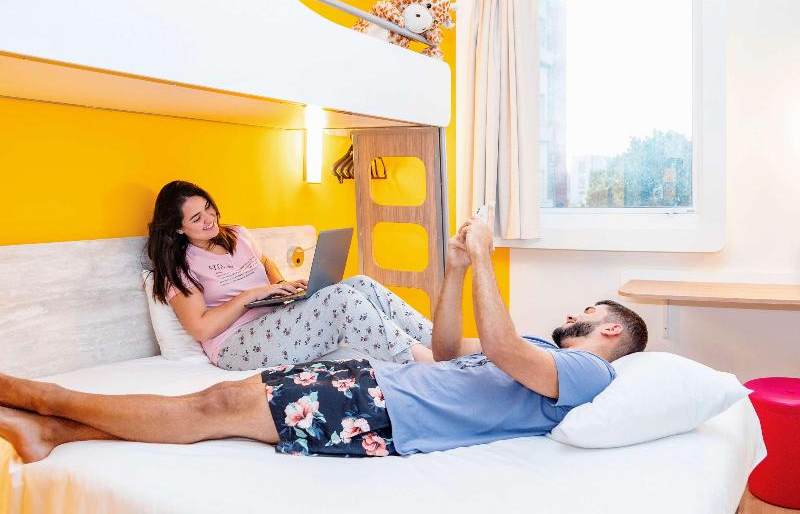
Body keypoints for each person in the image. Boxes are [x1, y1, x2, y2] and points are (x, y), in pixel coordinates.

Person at [0, 216, 648, 462]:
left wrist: (484, 258)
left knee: (214, 407)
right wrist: (454, 271)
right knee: (220, 411)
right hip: (379, 383)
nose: (574, 313)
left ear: (611, 329)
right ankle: (54, 432)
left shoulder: (590, 372)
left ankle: (43, 397)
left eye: (588, 312)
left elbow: (503, 349)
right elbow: (452, 352)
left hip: (386, 410)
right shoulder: (545, 351)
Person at [146, 181, 433, 369]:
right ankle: (424, 363)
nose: (209, 219)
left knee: (361, 284)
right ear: (178, 228)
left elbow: (265, 261)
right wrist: (250, 296)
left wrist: (280, 285)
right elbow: (200, 328)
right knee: (342, 299)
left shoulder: (236, 235)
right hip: (235, 343)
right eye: (196, 218)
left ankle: (440, 343)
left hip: (277, 318)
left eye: (208, 208)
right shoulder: (180, 267)